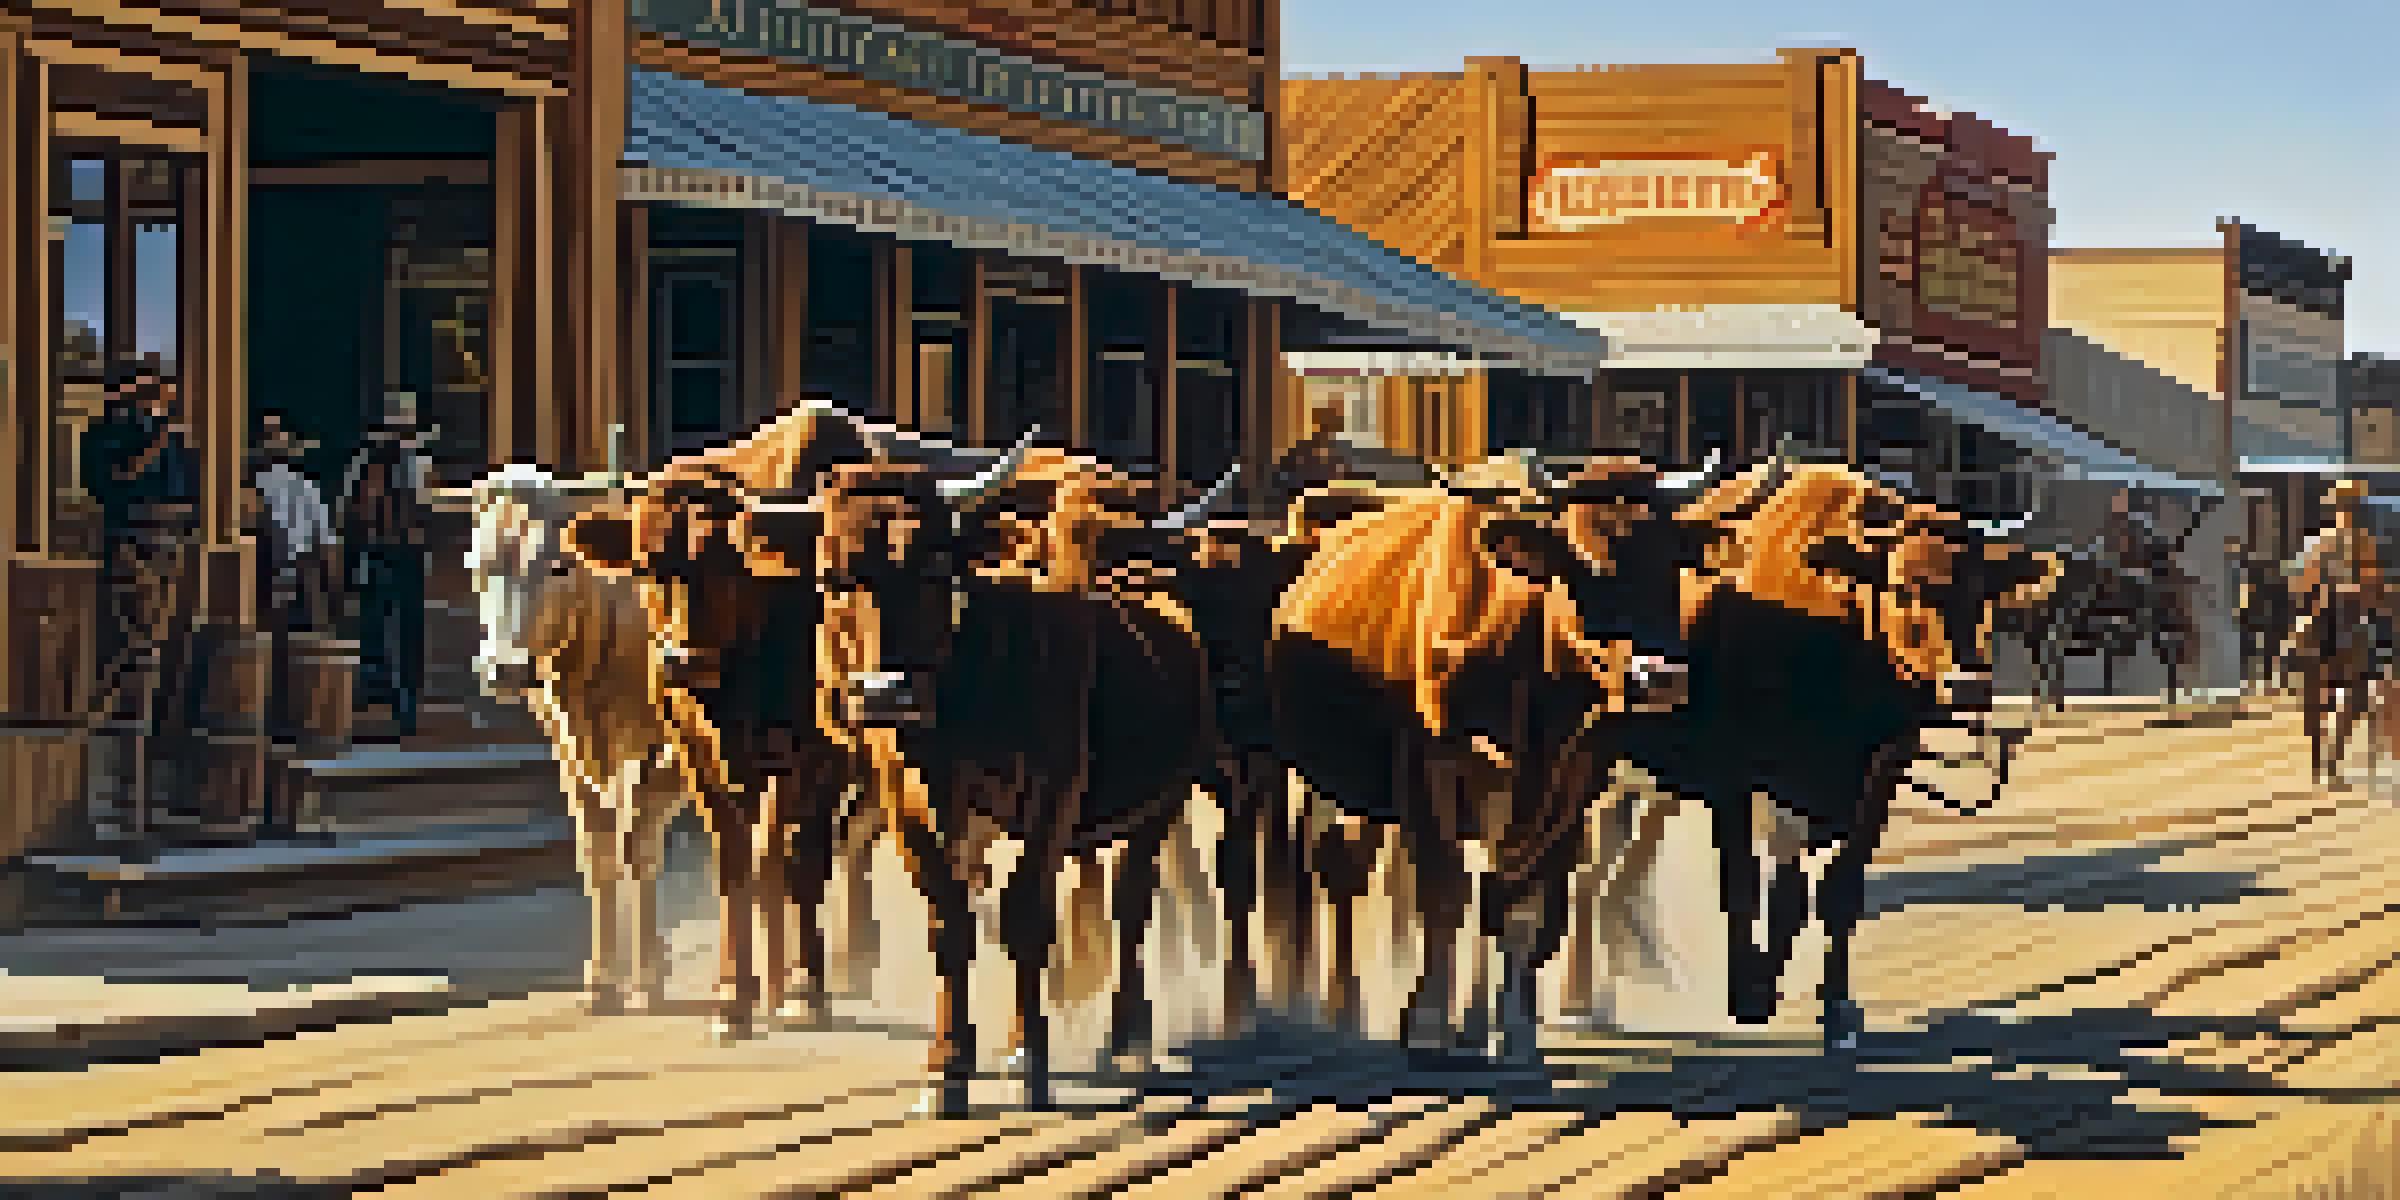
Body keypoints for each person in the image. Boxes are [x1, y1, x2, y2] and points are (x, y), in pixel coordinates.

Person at [341, 391, 436, 739]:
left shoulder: (411, 464)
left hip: (401, 553)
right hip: (383, 551)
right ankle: (388, 697)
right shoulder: (370, 464)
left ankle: (403, 701)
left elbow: (425, 511)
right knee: (381, 626)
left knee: (403, 627)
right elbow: (355, 511)